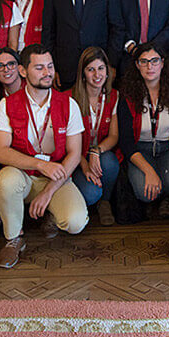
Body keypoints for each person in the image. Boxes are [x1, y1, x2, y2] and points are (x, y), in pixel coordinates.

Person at [0, 44, 89, 268]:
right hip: (22, 175)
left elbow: (74, 154)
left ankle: (51, 213)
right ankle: (13, 239)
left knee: (75, 223)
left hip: (57, 178)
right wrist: (39, 165)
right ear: (23, 71)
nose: (47, 73)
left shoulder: (68, 104)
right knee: (6, 181)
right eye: (39, 68)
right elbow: (0, 152)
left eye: (50, 66)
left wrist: (48, 191)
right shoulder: (6, 105)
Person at [116, 44, 169, 216]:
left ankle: (165, 195)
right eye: (144, 62)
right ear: (137, 65)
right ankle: (156, 195)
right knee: (143, 192)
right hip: (140, 150)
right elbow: (126, 142)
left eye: (154, 61)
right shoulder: (128, 93)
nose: (149, 66)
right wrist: (149, 171)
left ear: (162, 63)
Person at [70, 47, 120, 225]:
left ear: (107, 72)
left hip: (99, 155)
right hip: (75, 159)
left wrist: (96, 152)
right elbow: (67, 145)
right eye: (90, 69)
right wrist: (84, 163)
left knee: (111, 161)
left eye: (101, 68)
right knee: (91, 194)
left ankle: (105, 202)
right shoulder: (70, 98)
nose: (96, 74)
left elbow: (114, 136)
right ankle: (85, 203)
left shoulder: (113, 96)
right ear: (83, 74)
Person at [0, 47, 23, 117]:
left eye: (11, 64)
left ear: (20, 68)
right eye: (0, 66)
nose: (6, 69)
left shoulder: (32, 90)